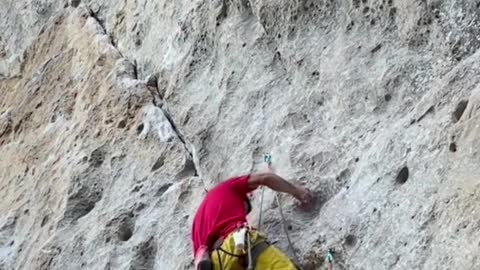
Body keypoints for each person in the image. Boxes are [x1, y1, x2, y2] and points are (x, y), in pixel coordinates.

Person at [191, 173, 313, 270]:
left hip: (216, 263)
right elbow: (264, 178)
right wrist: (297, 191)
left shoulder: (196, 227)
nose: (245, 214)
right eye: (246, 209)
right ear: (244, 199)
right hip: (236, 245)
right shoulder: (228, 188)